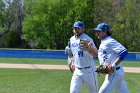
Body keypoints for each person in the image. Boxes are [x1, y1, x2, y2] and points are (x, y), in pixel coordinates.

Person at [93, 23, 130, 93]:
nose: (97, 33)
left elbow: (124, 52)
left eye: (99, 31)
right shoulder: (103, 41)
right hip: (115, 73)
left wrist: (113, 65)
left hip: (114, 72)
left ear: (105, 32)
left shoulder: (109, 41)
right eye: (96, 31)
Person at [66, 21, 98, 93]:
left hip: (89, 70)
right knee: (73, 91)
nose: (76, 30)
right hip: (77, 70)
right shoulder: (72, 39)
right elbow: (73, 54)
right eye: (75, 28)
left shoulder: (88, 39)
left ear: (83, 29)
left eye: (78, 28)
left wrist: (90, 48)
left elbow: (96, 54)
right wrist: (72, 62)